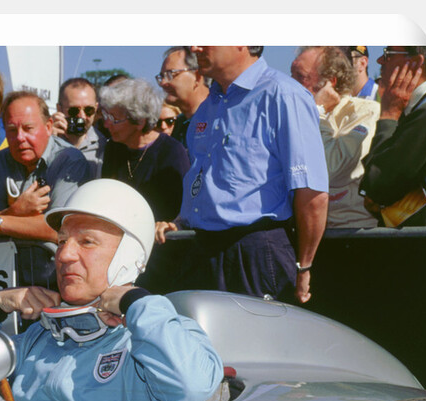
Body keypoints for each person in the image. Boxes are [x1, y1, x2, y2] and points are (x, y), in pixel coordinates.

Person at [0, 179, 224, 401]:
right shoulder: (40, 335)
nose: (64, 256)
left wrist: (137, 304)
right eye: (62, 241)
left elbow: (190, 388)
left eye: (87, 242)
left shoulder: (159, 335)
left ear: (129, 254)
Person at [147, 46, 329, 305]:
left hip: (255, 254)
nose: (195, 47)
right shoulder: (208, 106)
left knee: (260, 344)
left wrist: (305, 265)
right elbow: (206, 180)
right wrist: (181, 221)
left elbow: (312, 192)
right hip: (203, 251)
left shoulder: (282, 95)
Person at [0, 91, 90, 288]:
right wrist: (16, 211)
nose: (20, 138)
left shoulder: (69, 160)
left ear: (48, 127)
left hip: (55, 279)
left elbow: (59, 228)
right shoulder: (0, 160)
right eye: (12, 130)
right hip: (6, 277)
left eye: (28, 128)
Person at [291, 46, 379, 229]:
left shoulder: (365, 111)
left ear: (329, 82)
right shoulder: (293, 116)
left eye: (300, 77)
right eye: (290, 75)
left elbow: (330, 169)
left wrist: (318, 114)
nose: (290, 84)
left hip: (353, 235)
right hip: (304, 231)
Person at [359, 46, 426, 227]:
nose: (380, 61)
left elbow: (377, 186)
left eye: (388, 55)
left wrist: (389, 114)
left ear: (416, 62)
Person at [99, 78, 190, 222]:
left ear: (140, 121)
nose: (106, 124)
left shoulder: (171, 153)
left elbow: (177, 211)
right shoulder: (114, 148)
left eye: (114, 119)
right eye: (106, 116)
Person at [51, 77, 106, 178]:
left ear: (96, 107)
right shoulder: (49, 142)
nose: (82, 116)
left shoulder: (105, 147)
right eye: (74, 111)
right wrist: (49, 142)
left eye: (89, 110)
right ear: (59, 109)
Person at [156, 46, 210, 148]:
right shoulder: (179, 126)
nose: (163, 83)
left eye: (170, 74)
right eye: (162, 76)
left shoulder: (218, 117)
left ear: (197, 77)